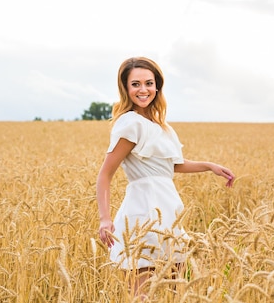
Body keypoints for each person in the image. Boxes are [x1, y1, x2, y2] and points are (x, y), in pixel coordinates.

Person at [96, 56, 236, 298]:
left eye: (149, 83)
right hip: (143, 214)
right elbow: (105, 174)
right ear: (126, 89)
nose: (143, 89)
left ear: (157, 86)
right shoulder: (131, 124)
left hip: (169, 212)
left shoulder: (163, 127)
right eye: (136, 84)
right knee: (143, 293)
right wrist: (105, 219)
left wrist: (209, 166)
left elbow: (169, 167)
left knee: (175, 290)